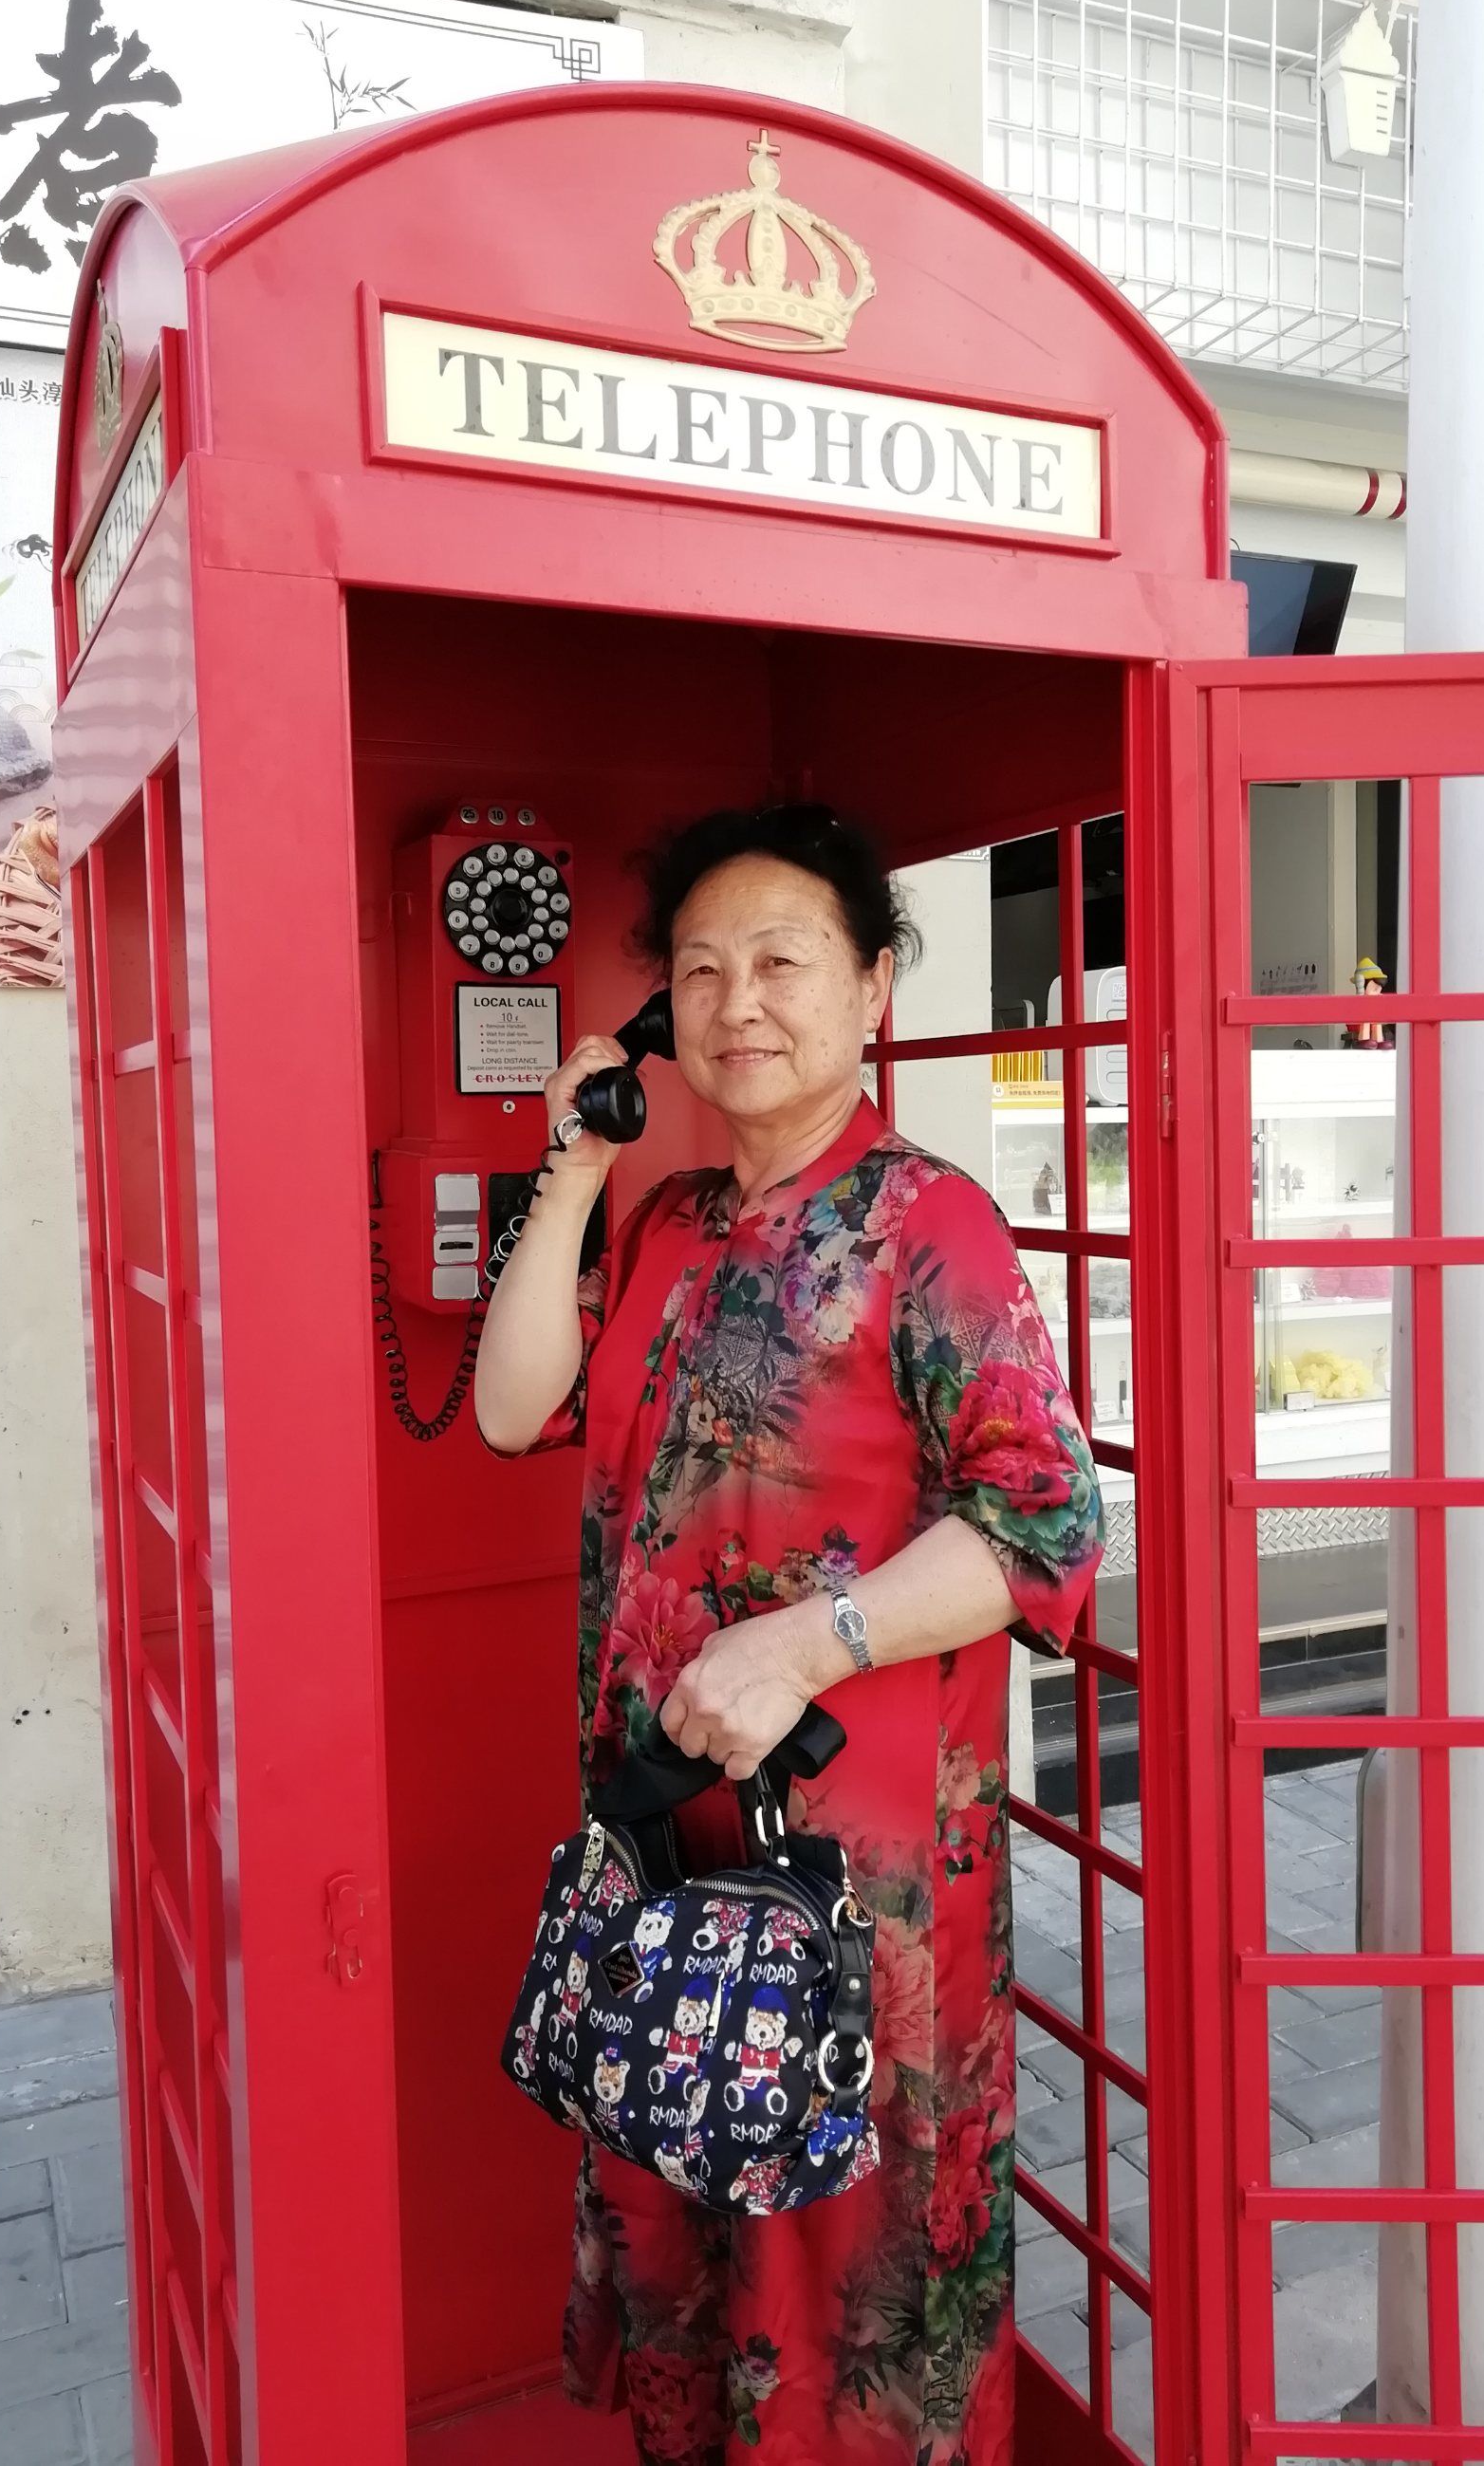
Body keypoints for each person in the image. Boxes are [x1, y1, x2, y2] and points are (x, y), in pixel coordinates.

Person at [473, 803, 1104, 2466]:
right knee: (687, 2258)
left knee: (851, 2309)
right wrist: (578, 1161)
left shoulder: (928, 1226)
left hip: (856, 1907)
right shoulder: (665, 1218)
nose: (737, 1002)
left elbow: (1048, 1523)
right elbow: (506, 1405)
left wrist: (810, 1641)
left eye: (782, 961)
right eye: (700, 971)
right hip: (664, 1862)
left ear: (876, 984)